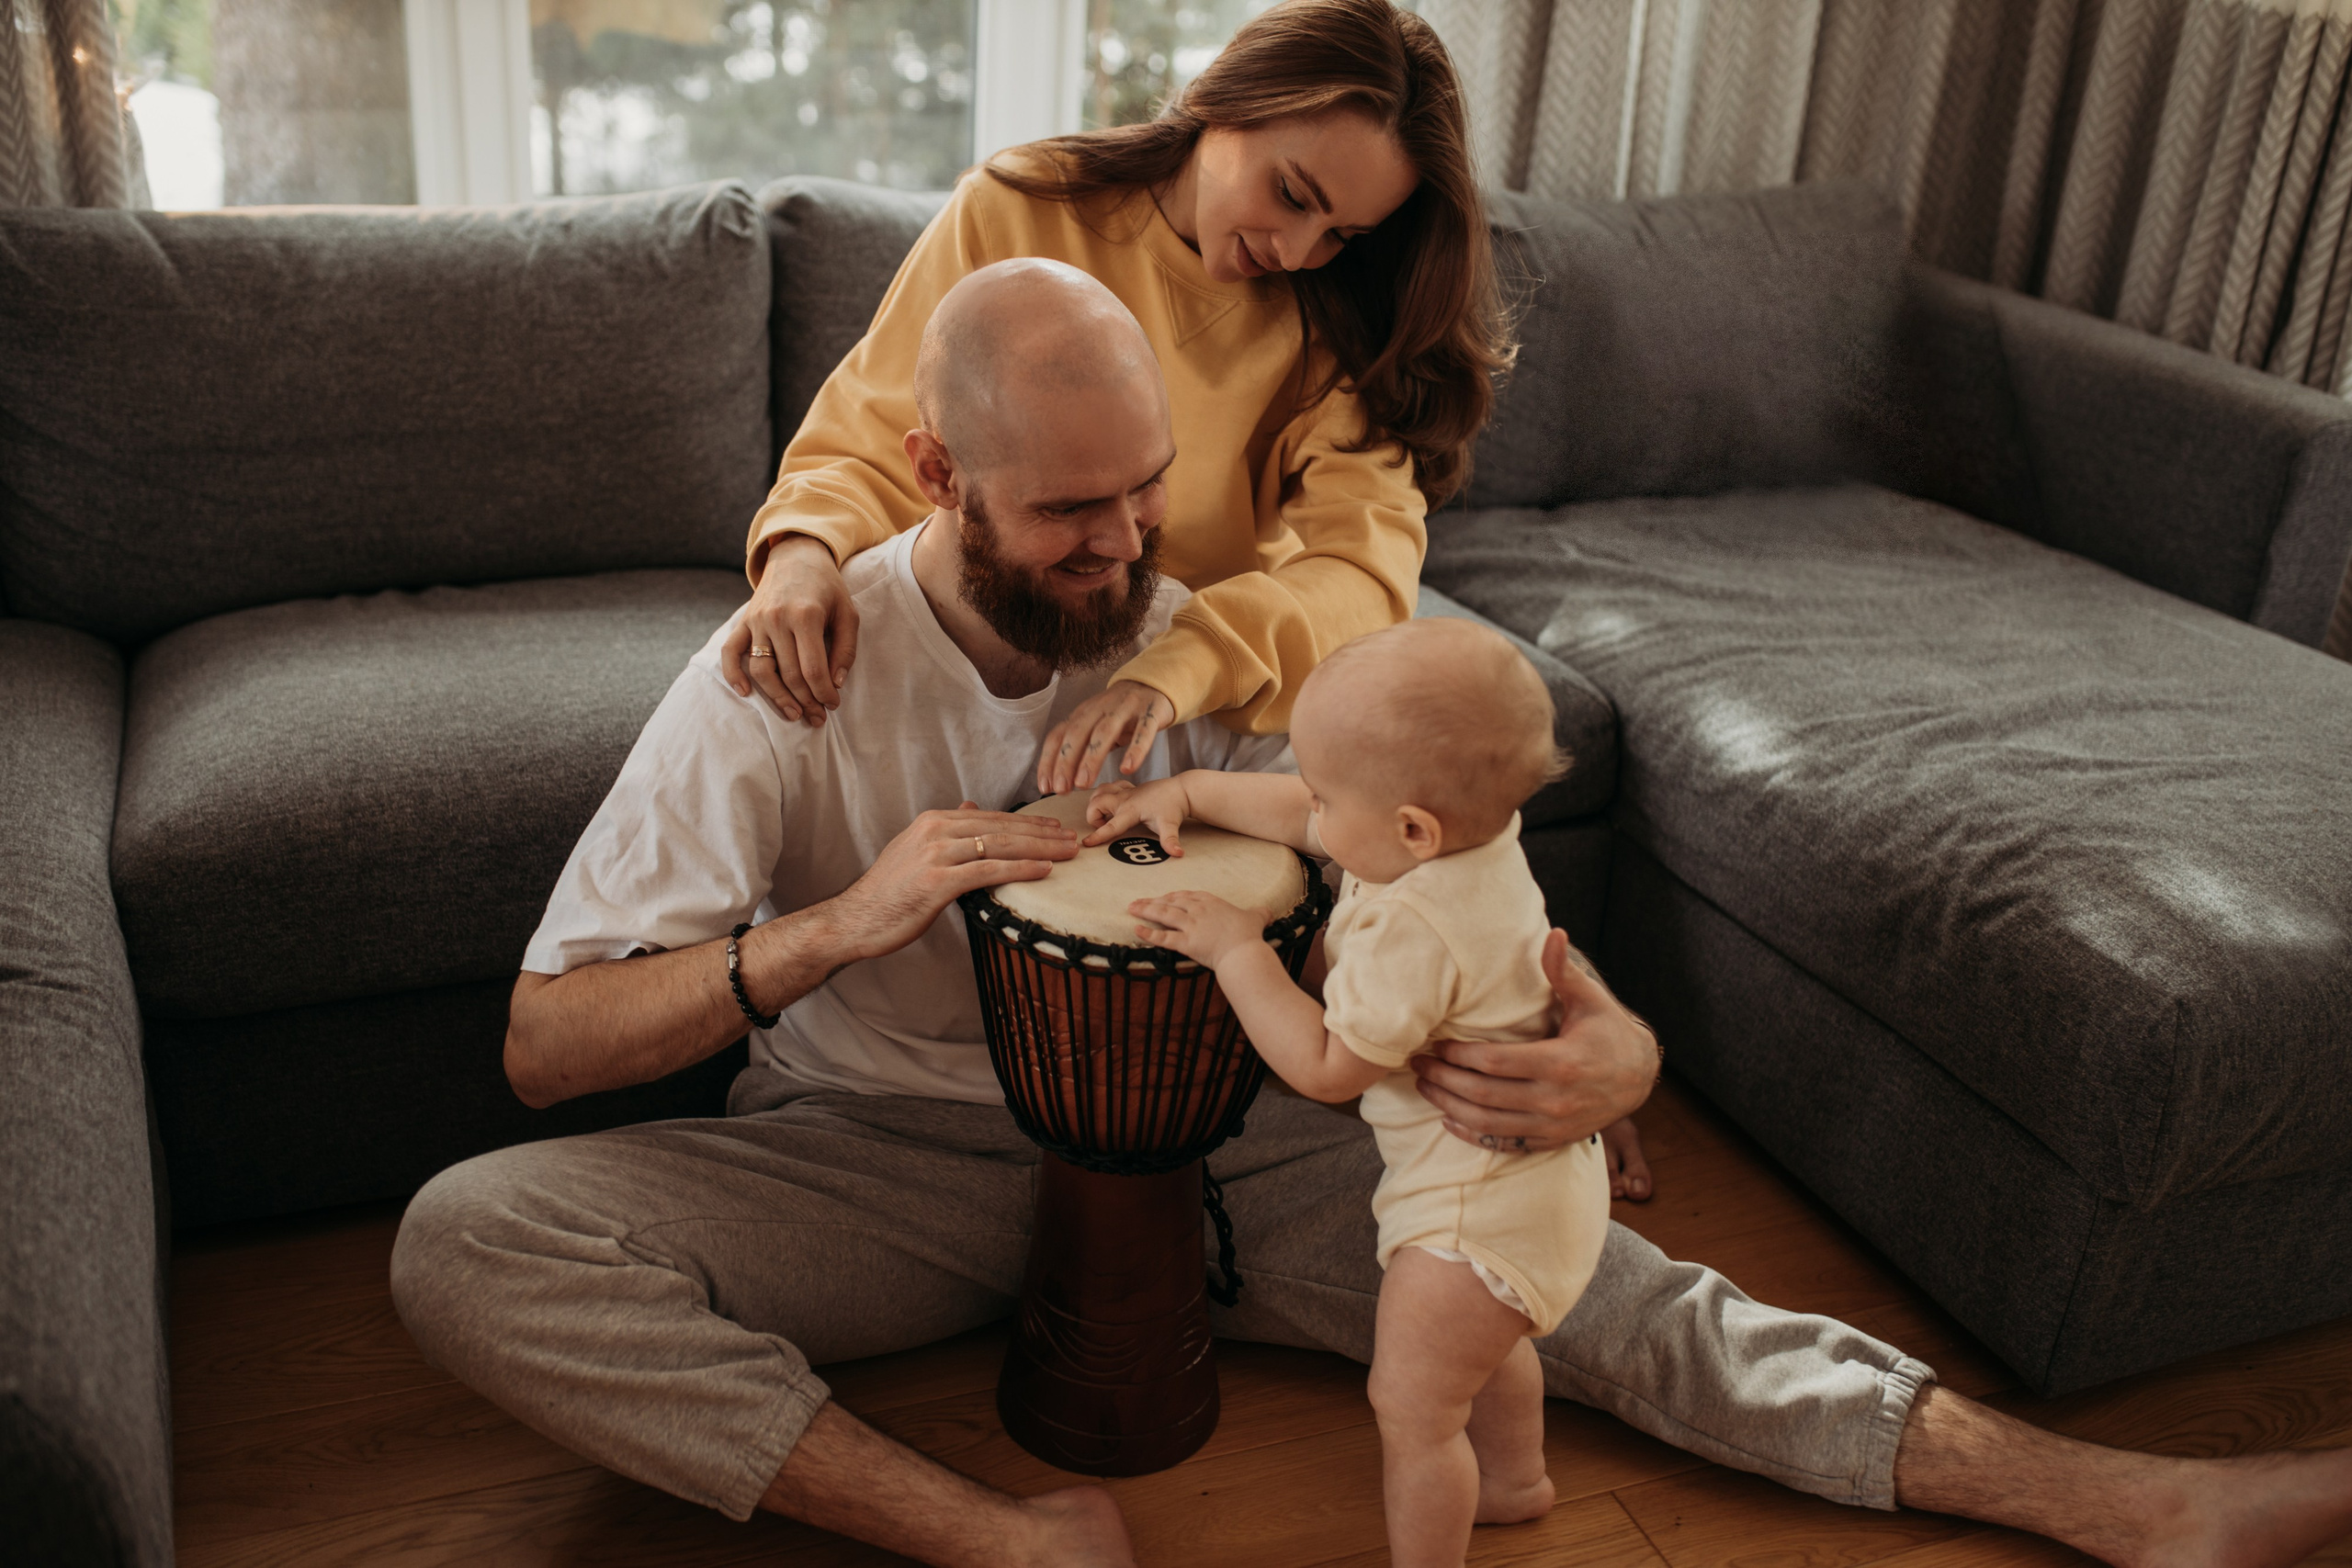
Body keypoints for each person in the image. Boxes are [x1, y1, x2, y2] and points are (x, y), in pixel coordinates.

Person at [391, 261, 2352, 1568]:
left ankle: (2126, 1500)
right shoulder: (788, 669)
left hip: (1236, 1129)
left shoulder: (1196, 638)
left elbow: (1453, 861)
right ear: (934, 472)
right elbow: (543, 1041)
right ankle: (997, 1537)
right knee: (468, 1243)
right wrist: (837, 925)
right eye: (1069, 509)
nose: (1121, 546)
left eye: (1144, 491)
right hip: (878, 1150)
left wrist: (1611, 1050)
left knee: (1589, 1288)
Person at [728, 0, 1657, 1202]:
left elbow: (1365, 578)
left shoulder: (1338, 320)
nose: (1303, 247)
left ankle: (1556, 1082)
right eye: (1292, 192)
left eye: (1342, 231)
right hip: (1013, 635)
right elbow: (873, 433)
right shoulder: (1024, 207)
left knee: (1431, 779)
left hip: (1198, 682)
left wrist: (1180, 668)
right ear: (1230, 96)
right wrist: (802, 549)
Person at [1096, 617, 1611, 1566]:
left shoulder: (1416, 931)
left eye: (1327, 796)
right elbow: (1305, 815)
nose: (1312, 811)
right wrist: (1189, 789)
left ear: (1411, 827)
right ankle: (1515, 1482)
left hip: (1470, 1216)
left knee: (1412, 1410)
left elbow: (1327, 1068)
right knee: (1488, 1349)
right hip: (1544, 1191)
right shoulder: (1465, 839)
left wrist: (1237, 952)